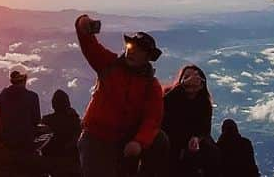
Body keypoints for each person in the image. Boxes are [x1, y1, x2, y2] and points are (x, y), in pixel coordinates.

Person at [74, 14, 167, 177]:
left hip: (124, 140)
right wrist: (82, 23)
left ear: (147, 57)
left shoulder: (151, 86)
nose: (131, 52)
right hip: (95, 137)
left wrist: (139, 141)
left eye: (138, 51)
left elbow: (152, 119)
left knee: (160, 139)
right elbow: (89, 45)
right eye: (131, 47)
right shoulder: (109, 64)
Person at [162, 63, 214, 175]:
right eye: (187, 77)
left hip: (190, 142)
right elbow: (160, 107)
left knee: (210, 151)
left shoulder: (204, 104)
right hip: (169, 138)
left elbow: (205, 128)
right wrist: (182, 86)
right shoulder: (171, 96)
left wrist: (197, 138)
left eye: (195, 78)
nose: (191, 81)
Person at [0, 67, 42, 152]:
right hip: (26, 140)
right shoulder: (32, 96)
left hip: (7, 139)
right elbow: (36, 120)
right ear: (24, 80)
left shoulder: (2, 95)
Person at [41, 89, 81, 163]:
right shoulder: (74, 120)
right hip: (70, 158)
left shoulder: (46, 120)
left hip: (51, 158)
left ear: (53, 104)